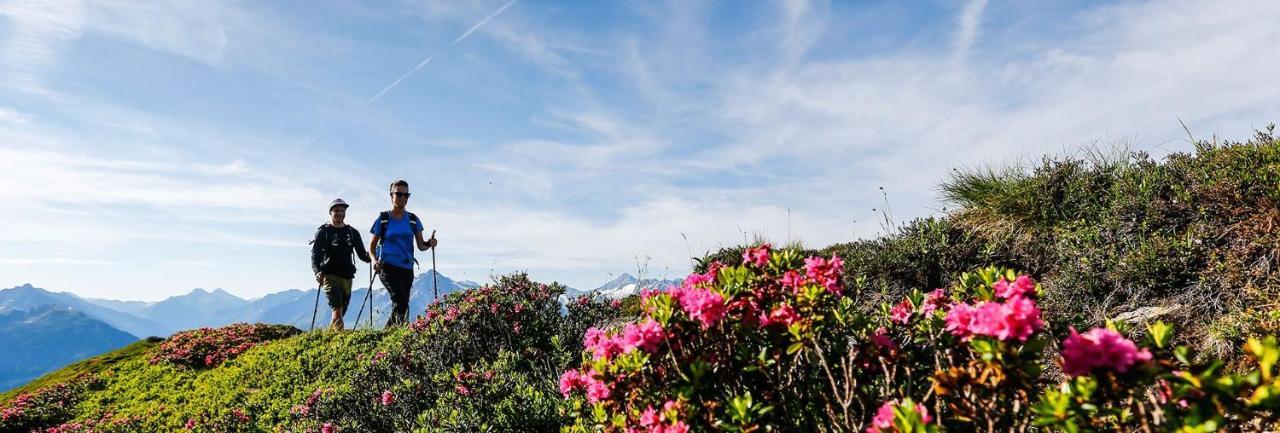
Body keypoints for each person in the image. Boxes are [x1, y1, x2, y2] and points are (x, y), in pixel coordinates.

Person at [369, 180, 437, 327]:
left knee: (403, 305)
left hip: (407, 268)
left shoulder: (413, 220)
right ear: (391, 195)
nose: (402, 197)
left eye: (406, 195)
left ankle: (397, 338)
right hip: (387, 266)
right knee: (401, 301)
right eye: (399, 194)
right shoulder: (383, 219)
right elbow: (371, 247)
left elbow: (420, 245)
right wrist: (374, 261)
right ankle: (388, 337)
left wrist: (429, 243)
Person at [310, 198, 372, 331]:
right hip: (329, 276)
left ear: (345, 213)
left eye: (341, 211)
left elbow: (362, 255)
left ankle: (329, 337)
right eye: (336, 210)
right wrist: (317, 272)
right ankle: (340, 342)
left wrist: (373, 258)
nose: (339, 213)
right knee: (337, 310)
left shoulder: (352, 232)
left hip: (347, 276)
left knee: (341, 311)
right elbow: (316, 255)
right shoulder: (323, 232)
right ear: (330, 213)